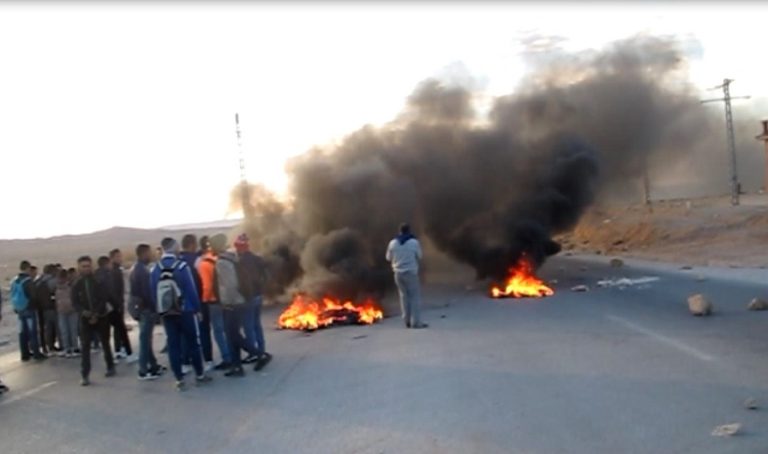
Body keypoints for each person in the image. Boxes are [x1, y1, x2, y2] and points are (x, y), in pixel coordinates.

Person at [150, 237, 212, 391]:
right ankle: (199, 375)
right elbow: (190, 290)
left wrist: (159, 311)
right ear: (174, 247)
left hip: (167, 313)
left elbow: (152, 293)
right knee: (193, 343)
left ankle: (179, 379)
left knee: (173, 344)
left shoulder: (155, 269)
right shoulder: (182, 266)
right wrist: (198, 309)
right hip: (185, 310)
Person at [210, 233, 259, 377]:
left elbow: (230, 285)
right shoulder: (230, 257)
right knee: (233, 336)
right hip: (236, 302)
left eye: (211, 245)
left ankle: (258, 354)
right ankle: (237, 366)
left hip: (232, 303)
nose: (210, 248)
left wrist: (227, 303)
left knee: (233, 335)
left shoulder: (222, 262)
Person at [71, 255, 115, 386]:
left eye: (88, 266)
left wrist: (95, 313)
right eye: (83, 266)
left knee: (105, 343)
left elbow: (103, 298)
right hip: (85, 319)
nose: (86, 268)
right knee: (85, 347)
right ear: (79, 267)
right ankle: (85, 375)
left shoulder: (98, 281)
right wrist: (84, 313)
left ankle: (110, 366)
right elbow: (75, 302)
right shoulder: (76, 284)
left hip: (101, 316)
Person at [234, 233, 273, 371]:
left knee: (248, 327)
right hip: (258, 296)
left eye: (237, 246)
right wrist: (262, 287)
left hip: (248, 298)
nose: (236, 249)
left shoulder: (240, 262)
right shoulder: (257, 259)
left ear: (241, 247)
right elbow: (266, 273)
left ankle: (254, 353)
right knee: (257, 325)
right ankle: (261, 350)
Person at [130, 244, 166, 380]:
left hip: (142, 309)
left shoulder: (138, 269)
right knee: (145, 340)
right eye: (149, 253)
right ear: (143, 253)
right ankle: (143, 370)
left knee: (146, 338)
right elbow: (147, 292)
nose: (151, 255)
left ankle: (153, 365)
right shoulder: (142, 271)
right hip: (146, 309)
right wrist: (155, 308)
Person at [197, 237, 232, 371]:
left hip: (213, 301)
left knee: (218, 331)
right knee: (226, 329)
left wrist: (204, 300)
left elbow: (207, 286)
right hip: (224, 298)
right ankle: (233, 354)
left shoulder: (204, 264)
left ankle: (226, 358)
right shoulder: (218, 260)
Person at [385, 223, 427, 329]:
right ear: (409, 231)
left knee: (404, 297)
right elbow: (420, 256)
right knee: (414, 297)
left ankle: (406, 321)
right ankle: (416, 323)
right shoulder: (414, 242)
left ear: (400, 231)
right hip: (411, 273)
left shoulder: (393, 243)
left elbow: (388, 258)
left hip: (398, 274)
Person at [179, 234, 210, 372]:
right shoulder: (198, 261)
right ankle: (208, 360)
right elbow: (203, 282)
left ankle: (185, 362)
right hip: (198, 300)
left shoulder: (178, 261)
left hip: (181, 304)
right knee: (204, 331)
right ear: (192, 244)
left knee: (186, 333)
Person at [10, 261, 45, 361]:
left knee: (22, 332)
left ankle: (24, 354)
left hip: (19, 309)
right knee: (32, 331)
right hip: (29, 309)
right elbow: (33, 296)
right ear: (28, 268)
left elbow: (12, 295)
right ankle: (36, 353)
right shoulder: (28, 281)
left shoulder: (15, 280)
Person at [109, 249, 133, 361]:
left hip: (118, 302)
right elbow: (115, 289)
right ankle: (121, 349)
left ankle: (119, 348)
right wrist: (118, 303)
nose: (120, 258)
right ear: (112, 258)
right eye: (118, 256)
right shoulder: (114, 271)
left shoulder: (116, 270)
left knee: (118, 328)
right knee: (120, 327)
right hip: (117, 303)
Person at [55, 269, 79, 358]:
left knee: (68, 330)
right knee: (69, 330)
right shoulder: (67, 286)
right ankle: (71, 348)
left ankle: (71, 348)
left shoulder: (64, 287)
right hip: (66, 311)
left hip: (67, 310)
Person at [36, 264, 59, 355]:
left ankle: (48, 346)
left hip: (42, 308)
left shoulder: (39, 280)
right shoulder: (53, 281)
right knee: (56, 327)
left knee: (47, 328)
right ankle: (56, 346)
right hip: (52, 306)